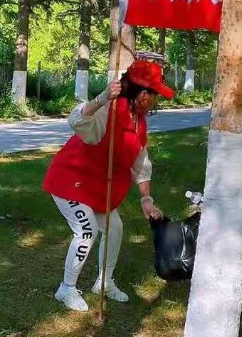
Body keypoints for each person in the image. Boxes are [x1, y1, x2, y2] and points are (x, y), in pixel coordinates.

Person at [42, 60, 171, 313]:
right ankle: (66, 288)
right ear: (143, 95)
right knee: (86, 230)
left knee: (115, 228)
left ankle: (104, 282)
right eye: (155, 95)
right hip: (71, 181)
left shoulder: (139, 123)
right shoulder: (109, 109)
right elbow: (76, 121)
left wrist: (146, 199)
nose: (156, 101)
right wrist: (101, 98)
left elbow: (140, 163)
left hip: (99, 187)